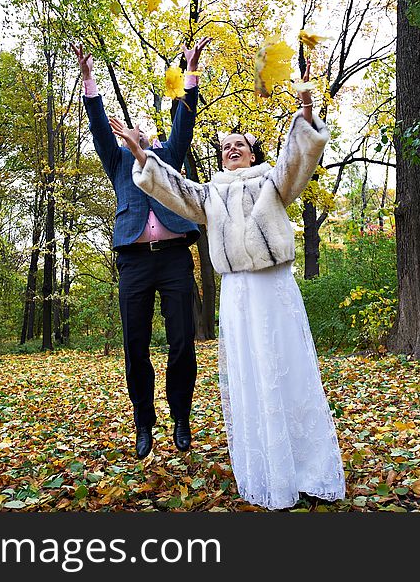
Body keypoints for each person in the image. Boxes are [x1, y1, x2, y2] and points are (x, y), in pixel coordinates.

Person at [111, 62, 346, 510]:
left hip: (273, 289)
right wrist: (140, 154)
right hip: (238, 295)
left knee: (286, 372)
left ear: (253, 153)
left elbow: (297, 162)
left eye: (239, 145)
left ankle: (307, 467)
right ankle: (266, 469)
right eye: (224, 147)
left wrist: (308, 112)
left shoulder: (271, 182)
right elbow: (174, 188)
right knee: (251, 377)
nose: (230, 150)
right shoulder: (211, 192)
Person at [72, 37, 212, 459]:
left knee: (183, 342)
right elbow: (99, 130)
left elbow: (183, 124)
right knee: (135, 346)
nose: (140, 136)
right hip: (133, 262)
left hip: (173, 261)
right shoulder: (117, 162)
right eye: (133, 132)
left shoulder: (167, 156)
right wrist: (88, 80)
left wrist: (190, 75)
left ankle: (181, 417)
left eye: (145, 133)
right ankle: (143, 423)